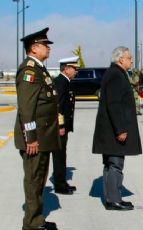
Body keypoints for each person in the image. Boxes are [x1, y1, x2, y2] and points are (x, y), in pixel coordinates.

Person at [14, 27, 59, 230]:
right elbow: (26, 107)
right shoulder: (30, 71)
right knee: (33, 180)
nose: (48, 48)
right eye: (45, 45)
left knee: (39, 178)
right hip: (35, 138)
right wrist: (30, 137)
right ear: (33, 48)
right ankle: (31, 224)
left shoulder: (40, 69)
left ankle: (37, 220)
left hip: (44, 135)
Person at [92, 46, 142, 211]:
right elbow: (114, 105)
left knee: (111, 163)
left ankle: (112, 197)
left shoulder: (116, 73)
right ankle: (113, 200)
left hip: (111, 129)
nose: (131, 60)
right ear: (121, 59)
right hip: (114, 130)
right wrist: (120, 129)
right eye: (129, 58)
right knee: (115, 164)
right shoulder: (116, 75)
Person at [51, 56, 79, 195]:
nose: (76, 71)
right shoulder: (61, 83)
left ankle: (62, 182)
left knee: (62, 154)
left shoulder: (65, 82)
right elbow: (59, 106)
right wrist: (61, 126)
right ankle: (60, 185)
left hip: (64, 126)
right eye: (74, 68)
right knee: (59, 155)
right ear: (66, 69)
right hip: (60, 127)